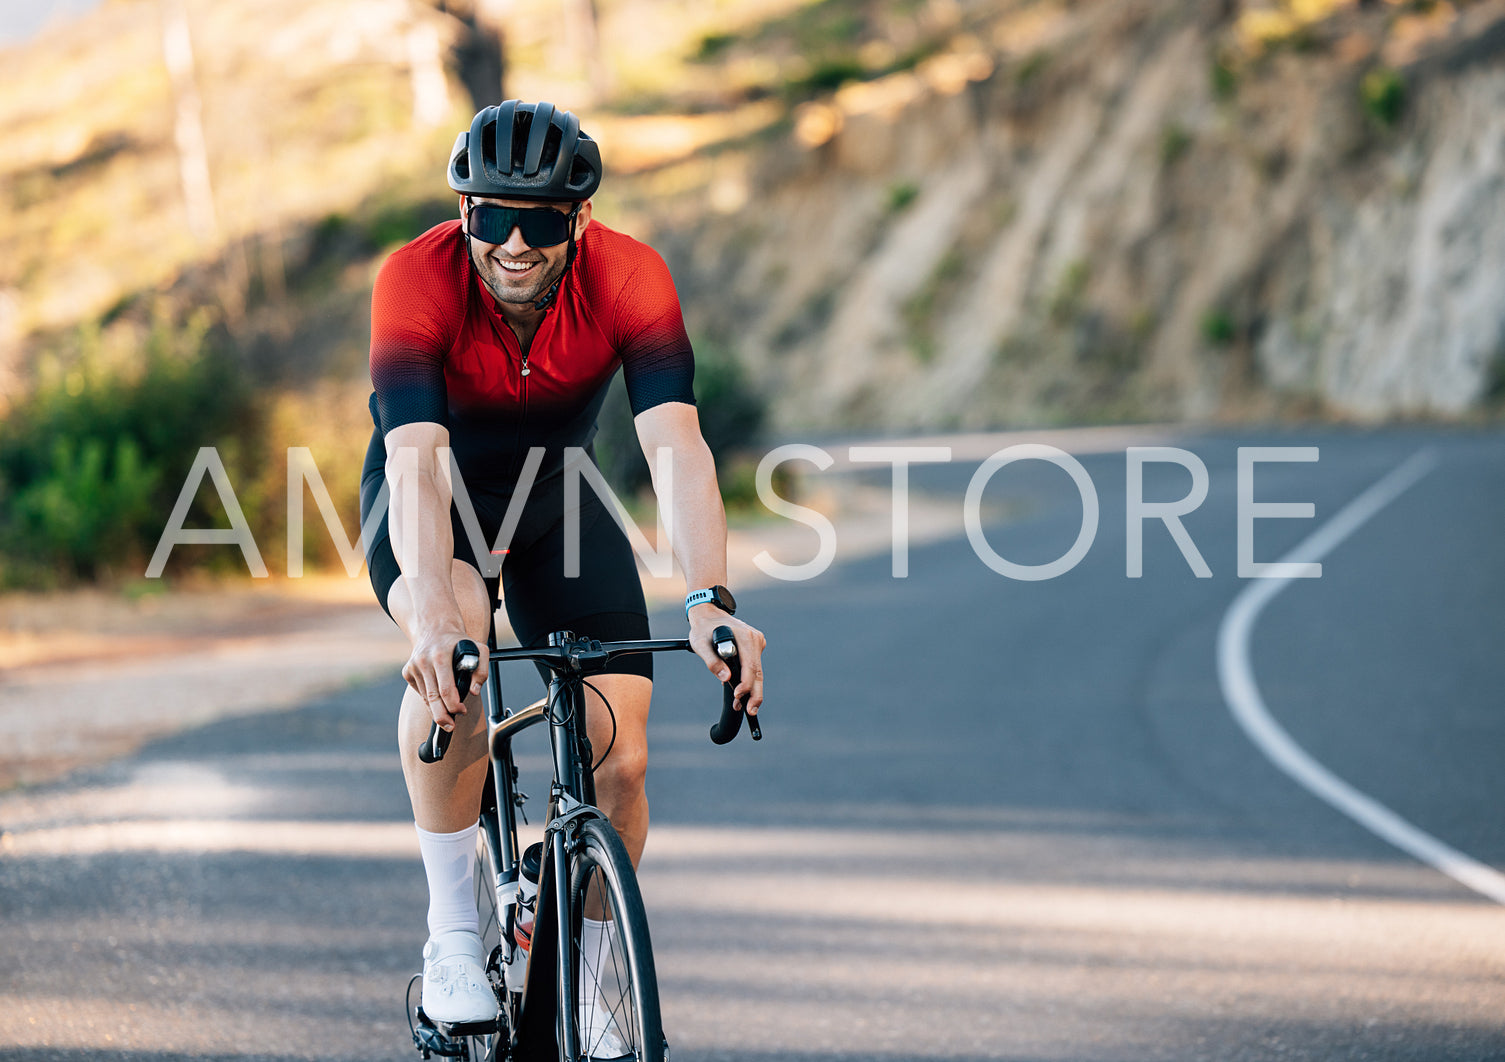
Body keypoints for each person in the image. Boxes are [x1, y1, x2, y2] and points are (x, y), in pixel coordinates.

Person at [357, 100, 767, 1046]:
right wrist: (430, 621)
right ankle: (453, 937)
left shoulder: (630, 277)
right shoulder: (413, 282)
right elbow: (417, 459)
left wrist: (709, 599)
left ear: (576, 221)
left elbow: (675, 446)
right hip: (433, 502)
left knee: (621, 755)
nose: (511, 242)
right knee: (455, 663)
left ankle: (584, 980)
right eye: (488, 214)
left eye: (538, 222)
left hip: (558, 504)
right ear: (461, 211)